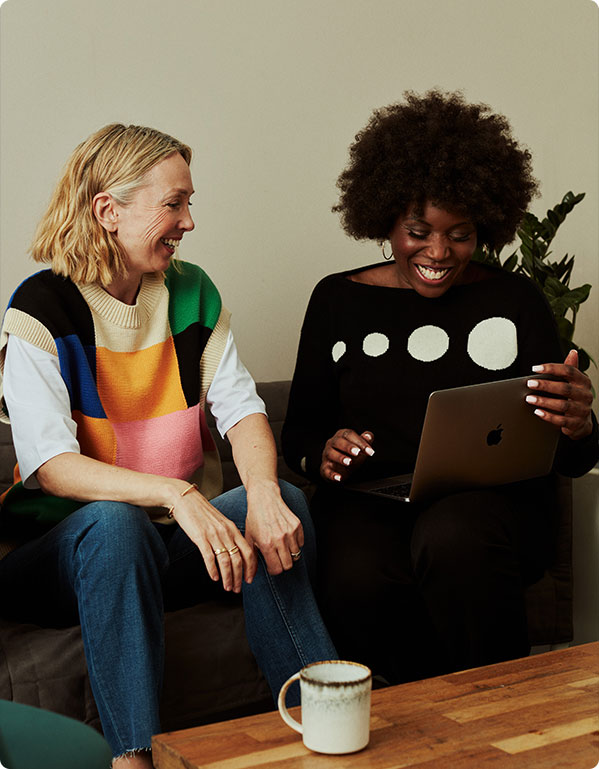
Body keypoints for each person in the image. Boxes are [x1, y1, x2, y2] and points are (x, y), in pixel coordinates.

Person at [0, 123, 337, 768]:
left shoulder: (192, 293)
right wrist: (177, 493)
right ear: (108, 210)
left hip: (163, 551)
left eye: (188, 202)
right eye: (174, 203)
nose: (189, 221)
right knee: (114, 525)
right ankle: (136, 757)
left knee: (280, 500)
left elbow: (242, 411)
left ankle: (322, 716)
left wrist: (263, 491)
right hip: (55, 558)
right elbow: (52, 467)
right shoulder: (40, 309)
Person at [282, 90, 598, 686]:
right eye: (418, 231)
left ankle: (494, 718)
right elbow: (299, 432)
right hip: (368, 504)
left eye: (459, 234)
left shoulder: (513, 300)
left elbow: (574, 456)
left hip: (494, 511)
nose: (437, 252)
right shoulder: (337, 300)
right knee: (353, 568)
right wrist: (322, 453)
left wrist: (580, 422)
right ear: (385, 221)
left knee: (453, 536)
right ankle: (400, 735)